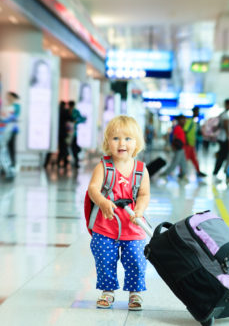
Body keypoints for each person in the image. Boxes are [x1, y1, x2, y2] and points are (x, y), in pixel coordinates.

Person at [87, 115, 150, 311]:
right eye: (115, 138)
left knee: (136, 258)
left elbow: (144, 193)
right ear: (107, 142)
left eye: (128, 139)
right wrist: (103, 202)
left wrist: (139, 209)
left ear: (137, 143)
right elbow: (93, 189)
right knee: (105, 259)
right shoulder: (103, 167)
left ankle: (135, 293)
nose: (122, 143)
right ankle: (107, 291)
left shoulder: (141, 169)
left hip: (132, 225)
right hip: (106, 226)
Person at [213, 98, 229, 182]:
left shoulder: (222, 114)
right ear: (227, 104)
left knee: (223, 156)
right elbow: (226, 128)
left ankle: (222, 172)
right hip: (224, 139)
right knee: (222, 156)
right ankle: (217, 173)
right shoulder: (225, 115)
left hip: (221, 139)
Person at [163, 115, 188, 181]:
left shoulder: (181, 128)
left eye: (185, 120)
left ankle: (183, 174)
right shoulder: (177, 128)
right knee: (175, 162)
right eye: (183, 120)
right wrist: (173, 146)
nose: (185, 121)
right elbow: (174, 137)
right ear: (179, 120)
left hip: (182, 148)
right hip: (178, 148)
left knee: (183, 162)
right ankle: (165, 173)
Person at [183, 107, 206, 178]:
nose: (198, 113)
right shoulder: (190, 121)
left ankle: (198, 171)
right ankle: (182, 173)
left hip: (192, 144)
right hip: (188, 144)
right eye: (197, 112)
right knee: (185, 159)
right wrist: (186, 141)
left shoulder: (194, 122)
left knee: (194, 159)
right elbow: (185, 131)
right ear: (194, 112)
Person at [1, 91, 20, 167]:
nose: (8, 98)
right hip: (5, 128)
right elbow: (3, 115)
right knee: (5, 146)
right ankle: (6, 161)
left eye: (9, 96)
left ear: (13, 97)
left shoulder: (16, 106)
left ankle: (12, 162)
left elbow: (15, 115)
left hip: (12, 129)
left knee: (11, 145)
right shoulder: (5, 106)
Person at [68, 100, 86, 168]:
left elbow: (81, 119)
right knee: (71, 147)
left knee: (73, 147)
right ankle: (74, 160)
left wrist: (76, 121)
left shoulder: (75, 112)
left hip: (73, 133)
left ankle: (76, 161)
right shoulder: (67, 111)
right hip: (68, 133)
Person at [57, 101, 72, 169]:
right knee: (63, 147)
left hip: (59, 133)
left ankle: (64, 161)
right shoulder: (65, 111)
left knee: (62, 147)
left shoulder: (58, 111)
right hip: (62, 133)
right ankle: (63, 161)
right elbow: (70, 118)